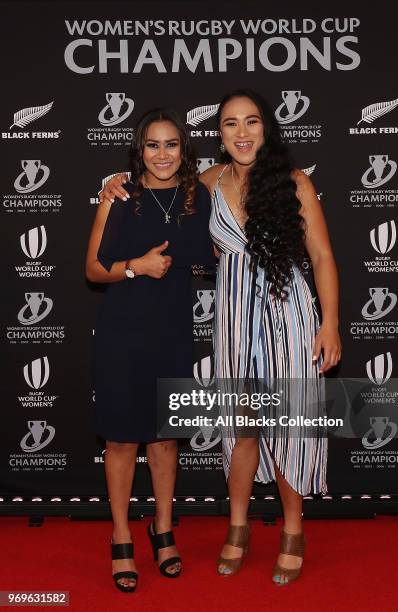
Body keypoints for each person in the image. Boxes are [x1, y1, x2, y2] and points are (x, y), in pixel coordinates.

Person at [99, 89, 341, 586]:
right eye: (231, 124)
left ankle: (293, 529)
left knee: (288, 422)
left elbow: (321, 257)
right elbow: (154, 186)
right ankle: (238, 526)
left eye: (251, 122)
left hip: (289, 312)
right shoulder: (205, 183)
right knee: (243, 425)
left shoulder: (295, 183)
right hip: (233, 317)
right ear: (220, 134)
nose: (242, 133)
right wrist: (113, 184)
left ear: (265, 129)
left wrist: (330, 324)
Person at [85, 107, 215, 593]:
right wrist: (136, 266)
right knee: (121, 440)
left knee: (164, 440)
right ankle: (121, 535)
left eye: (172, 144)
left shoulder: (196, 196)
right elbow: (94, 270)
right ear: (139, 149)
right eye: (153, 144)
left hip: (174, 332)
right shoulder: (119, 195)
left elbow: (216, 246)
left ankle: (163, 528)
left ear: (185, 149)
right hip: (122, 333)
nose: (163, 154)